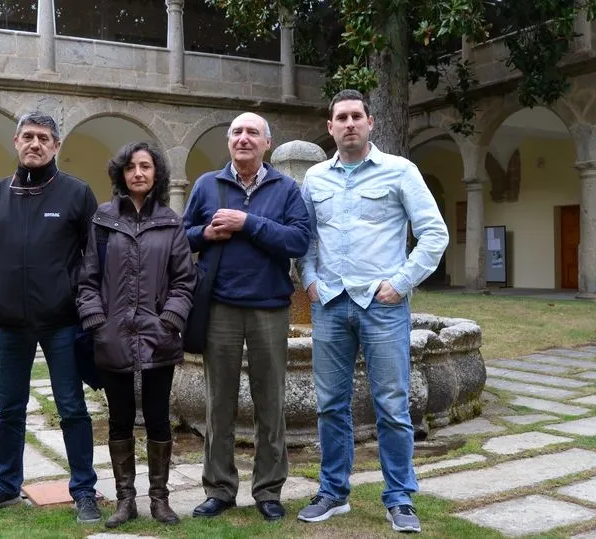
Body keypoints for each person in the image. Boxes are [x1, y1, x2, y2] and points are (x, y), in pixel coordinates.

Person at [296, 89, 449, 533]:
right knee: (330, 405)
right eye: (340, 117)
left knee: (393, 405)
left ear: (370, 122)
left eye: (356, 116)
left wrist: (400, 284)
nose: (348, 124)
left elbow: (433, 234)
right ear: (330, 127)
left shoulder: (401, 171)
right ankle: (333, 492)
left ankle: (399, 498)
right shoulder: (315, 179)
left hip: (382, 307)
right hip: (330, 305)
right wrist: (309, 283)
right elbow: (305, 241)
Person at [0, 111, 101, 523]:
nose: (35, 144)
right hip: (9, 323)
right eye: (28, 136)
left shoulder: (77, 193)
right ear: (15, 142)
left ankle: (84, 491)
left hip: (61, 322)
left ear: (57, 145)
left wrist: (72, 294)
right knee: (9, 408)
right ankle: (6, 487)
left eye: (43, 137)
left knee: (72, 407)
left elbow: (93, 255)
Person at [182, 112, 311, 522]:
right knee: (217, 403)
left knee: (269, 402)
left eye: (252, 132)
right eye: (236, 132)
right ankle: (219, 489)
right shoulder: (207, 185)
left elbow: (298, 240)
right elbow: (182, 236)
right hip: (218, 305)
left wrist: (248, 222)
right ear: (228, 142)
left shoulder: (287, 188)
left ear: (267, 143)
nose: (243, 138)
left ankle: (268, 490)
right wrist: (206, 234)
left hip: (269, 307)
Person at [76, 141, 196, 528]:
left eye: (145, 166)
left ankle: (160, 500)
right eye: (130, 167)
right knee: (120, 419)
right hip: (113, 337)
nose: (138, 173)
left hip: (159, 337)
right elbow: (87, 279)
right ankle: (125, 501)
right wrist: (97, 322)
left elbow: (184, 280)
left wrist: (170, 321)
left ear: (156, 173)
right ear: (121, 174)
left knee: (159, 419)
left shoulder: (171, 221)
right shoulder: (104, 220)